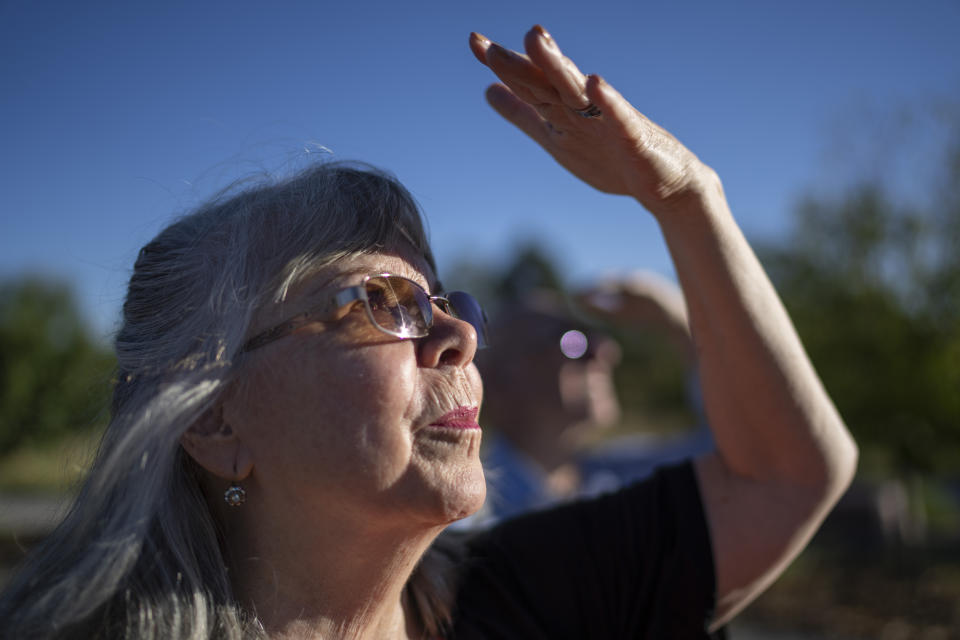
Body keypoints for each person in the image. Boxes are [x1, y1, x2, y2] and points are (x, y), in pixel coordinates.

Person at [0, 25, 857, 639]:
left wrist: (686, 200)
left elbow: (790, 474)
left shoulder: (521, 597)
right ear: (215, 421)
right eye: (379, 302)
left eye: (445, 302)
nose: (457, 337)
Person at [473, 280, 715, 525]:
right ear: (499, 379)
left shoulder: (620, 478)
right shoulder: (467, 515)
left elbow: (737, 451)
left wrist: (679, 323)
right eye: (572, 340)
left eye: (598, 338)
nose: (606, 351)